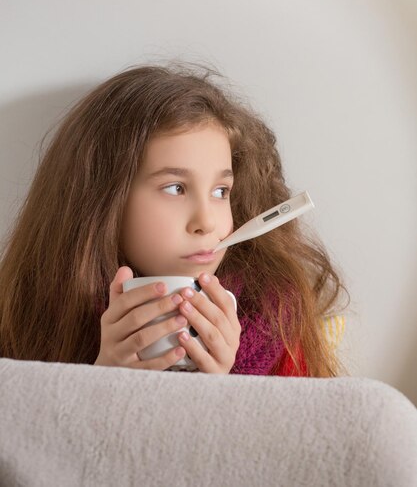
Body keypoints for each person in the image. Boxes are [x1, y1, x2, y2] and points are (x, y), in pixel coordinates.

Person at [0, 63, 348, 376]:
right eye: (175, 188)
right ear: (103, 201)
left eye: (220, 191)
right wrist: (101, 379)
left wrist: (220, 391)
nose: (207, 222)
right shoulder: (31, 313)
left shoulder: (274, 317)